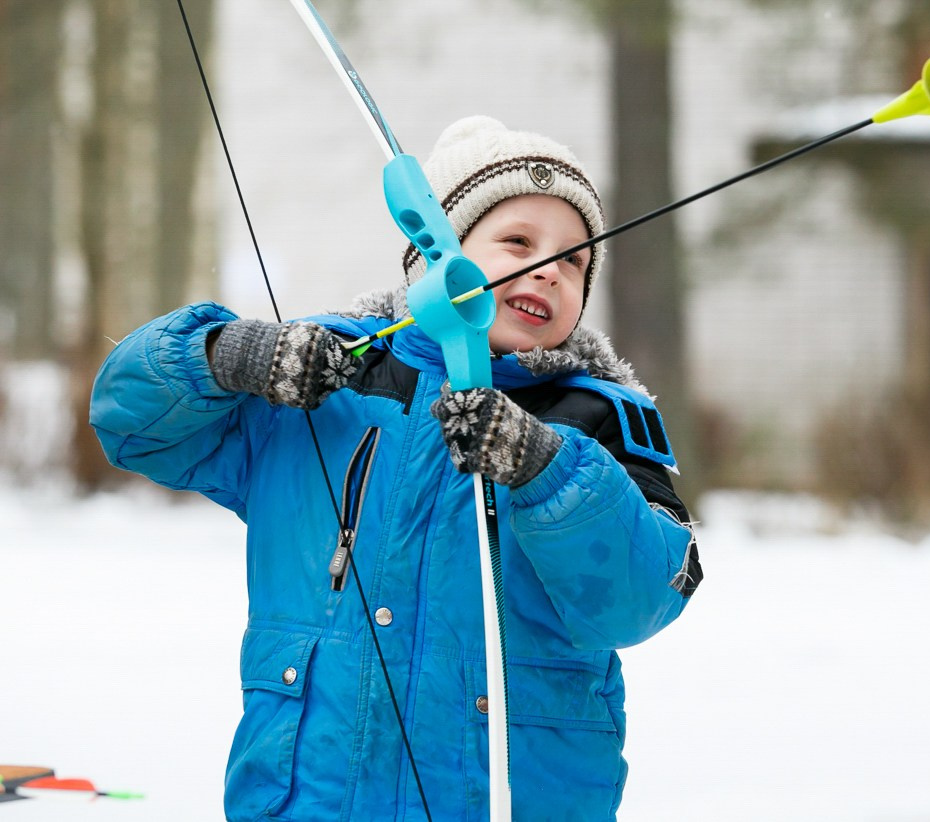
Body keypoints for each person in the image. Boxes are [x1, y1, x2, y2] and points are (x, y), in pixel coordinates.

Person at [90, 116, 701, 822]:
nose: (547, 271)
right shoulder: (332, 376)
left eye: (574, 260)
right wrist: (226, 358)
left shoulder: (596, 418)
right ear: (434, 253)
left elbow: (640, 596)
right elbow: (127, 421)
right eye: (518, 243)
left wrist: (542, 468)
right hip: (314, 796)